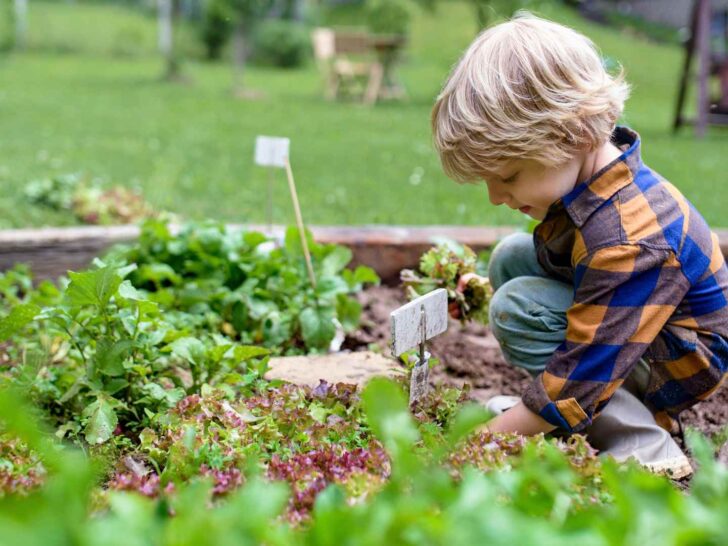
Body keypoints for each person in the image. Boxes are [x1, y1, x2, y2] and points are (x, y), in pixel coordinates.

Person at [430, 13, 728, 479]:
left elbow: (592, 358)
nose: (495, 196)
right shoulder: (593, 182)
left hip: (676, 364)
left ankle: (641, 437)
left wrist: (481, 443)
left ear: (574, 134)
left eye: (508, 176)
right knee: (512, 259)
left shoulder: (630, 239)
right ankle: (572, 410)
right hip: (643, 334)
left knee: (518, 308)